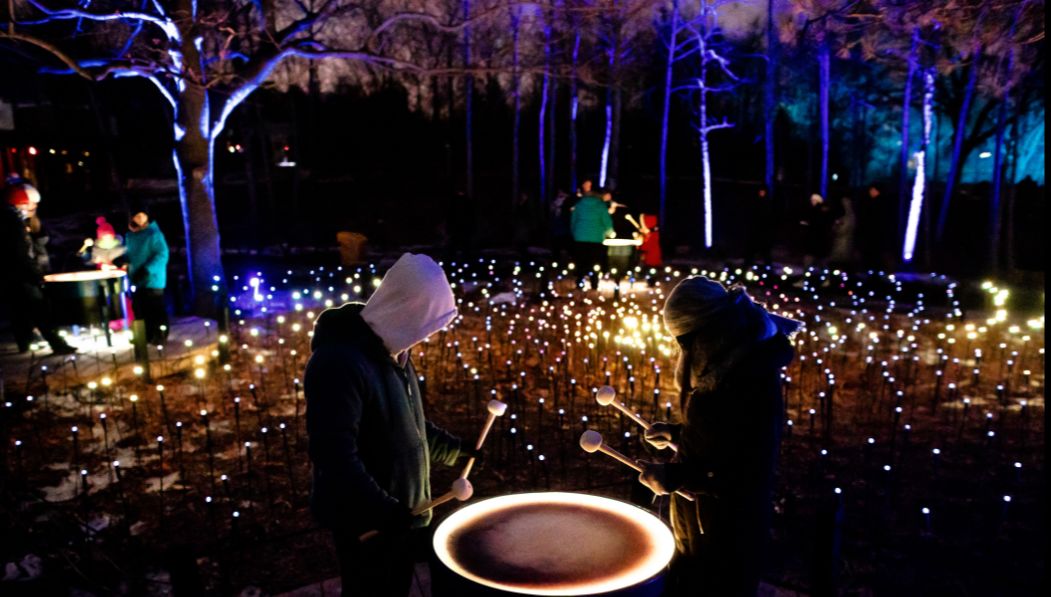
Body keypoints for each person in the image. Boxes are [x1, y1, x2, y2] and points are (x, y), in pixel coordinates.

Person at [304, 253, 478, 597]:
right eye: (427, 324)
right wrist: (382, 510)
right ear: (407, 310)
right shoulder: (338, 363)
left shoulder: (394, 352)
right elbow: (333, 454)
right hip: (366, 522)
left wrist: (456, 450)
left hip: (399, 515)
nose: (427, 335)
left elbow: (407, 426)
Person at [637, 276, 799, 596]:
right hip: (705, 526)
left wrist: (676, 476)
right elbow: (724, 437)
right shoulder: (730, 367)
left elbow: (747, 471)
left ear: (704, 334)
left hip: (727, 537)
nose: (682, 352)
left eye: (683, 342)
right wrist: (678, 434)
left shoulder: (747, 381)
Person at [0, 180, 76, 354]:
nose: (34, 207)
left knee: (18, 308)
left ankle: (24, 341)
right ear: (20, 203)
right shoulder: (14, 223)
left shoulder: (11, 220)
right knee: (39, 308)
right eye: (31, 204)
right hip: (22, 274)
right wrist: (35, 274)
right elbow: (20, 253)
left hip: (13, 274)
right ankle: (57, 344)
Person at [125, 206, 170, 346]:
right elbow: (129, 254)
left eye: (142, 215)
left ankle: (160, 335)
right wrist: (122, 260)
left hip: (152, 279)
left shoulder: (154, 234)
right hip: (137, 279)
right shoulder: (130, 236)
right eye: (136, 216)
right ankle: (144, 335)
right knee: (139, 308)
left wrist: (147, 269)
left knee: (155, 308)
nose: (139, 219)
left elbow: (162, 255)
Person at [570, 186, 614, 289]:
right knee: (595, 261)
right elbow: (606, 221)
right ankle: (594, 282)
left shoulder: (579, 205)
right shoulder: (601, 206)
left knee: (581, 260)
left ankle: (580, 281)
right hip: (596, 237)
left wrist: (574, 232)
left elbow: (573, 220)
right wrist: (610, 232)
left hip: (580, 237)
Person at [800, 193, 833, 266]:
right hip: (818, 239)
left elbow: (817, 224)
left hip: (817, 239)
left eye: (814, 200)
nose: (812, 202)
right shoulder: (818, 210)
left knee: (814, 258)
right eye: (811, 200)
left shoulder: (818, 211)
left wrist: (808, 224)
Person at [744, 185, 774, 264]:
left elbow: (769, 217)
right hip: (755, 230)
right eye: (760, 192)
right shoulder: (755, 202)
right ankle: (748, 263)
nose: (761, 193)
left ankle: (767, 265)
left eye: (763, 192)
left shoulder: (768, 203)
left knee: (765, 250)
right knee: (751, 249)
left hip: (764, 231)